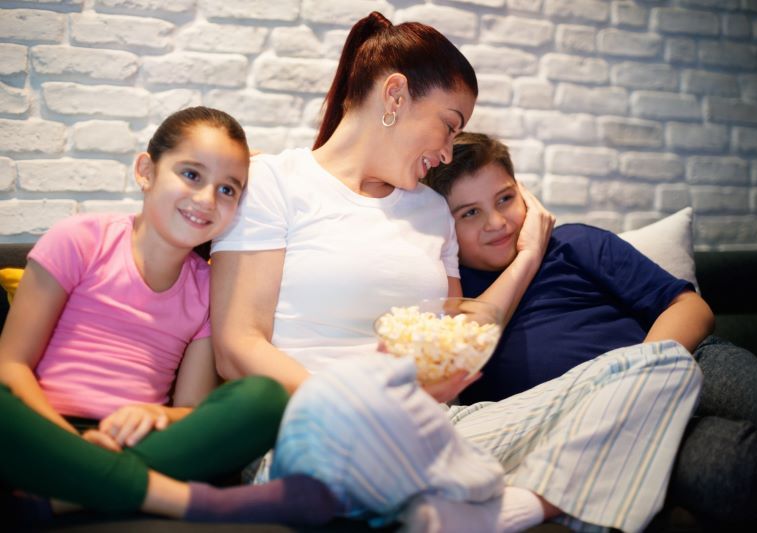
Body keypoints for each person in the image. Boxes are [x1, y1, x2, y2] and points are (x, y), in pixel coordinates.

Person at [212, 11, 702, 532]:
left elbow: (453, 341)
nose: (448, 152)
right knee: (377, 455)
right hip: (318, 430)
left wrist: (523, 262)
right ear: (395, 95)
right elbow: (237, 346)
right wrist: (355, 405)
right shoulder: (273, 182)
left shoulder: (431, 211)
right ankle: (477, 493)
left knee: (665, 366)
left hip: (433, 431)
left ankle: (508, 509)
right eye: (449, 125)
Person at [422, 131, 757, 527]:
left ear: (526, 197)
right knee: (736, 468)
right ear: (444, 229)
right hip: (604, 422)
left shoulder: (575, 243)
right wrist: (527, 257)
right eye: (470, 213)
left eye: (505, 198)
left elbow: (690, 307)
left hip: (683, 357)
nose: (497, 222)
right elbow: (461, 348)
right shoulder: (454, 297)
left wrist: (637, 376)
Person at [0, 106, 337, 527]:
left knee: (265, 398)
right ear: (146, 171)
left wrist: (158, 415)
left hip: (139, 442)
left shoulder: (207, 289)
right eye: (191, 174)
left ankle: (63, 496)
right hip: (41, 432)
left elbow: (191, 407)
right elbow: (10, 365)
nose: (207, 199)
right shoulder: (80, 239)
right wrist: (74, 446)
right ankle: (181, 500)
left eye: (227, 189)